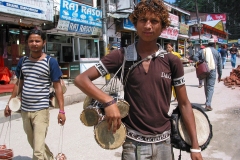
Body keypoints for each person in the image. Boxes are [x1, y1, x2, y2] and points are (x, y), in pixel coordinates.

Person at [74, 1, 202, 159]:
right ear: (135, 24)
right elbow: (81, 79)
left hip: (164, 143)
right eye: (143, 20)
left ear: (162, 27)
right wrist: (108, 101)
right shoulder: (121, 55)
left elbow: (184, 103)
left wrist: (195, 146)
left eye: (154, 21)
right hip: (132, 143)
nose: (148, 26)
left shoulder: (171, 61)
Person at [4, 29, 66, 160]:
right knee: (35, 143)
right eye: (31, 41)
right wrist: (10, 103)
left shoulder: (51, 62)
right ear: (27, 43)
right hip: (25, 110)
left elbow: (57, 87)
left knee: (37, 151)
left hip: (41, 110)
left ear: (44, 42)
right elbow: (18, 84)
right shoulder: (23, 61)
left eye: (37, 41)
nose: (34, 43)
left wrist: (62, 110)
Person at [193, 39, 222, 111]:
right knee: (210, 87)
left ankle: (207, 101)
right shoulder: (217, 52)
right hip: (212, 71)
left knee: (206, 86)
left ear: (207, 44)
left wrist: (200, 61)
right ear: (214, 44)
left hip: (204, 70)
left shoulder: (203, 50)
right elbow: (219, 65)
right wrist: (220, 75)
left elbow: (194, 57)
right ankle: (208, 104)